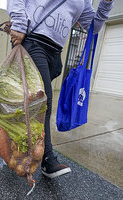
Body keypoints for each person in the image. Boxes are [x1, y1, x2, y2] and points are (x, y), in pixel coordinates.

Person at [7, 0, 114, 178]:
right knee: (43, 103)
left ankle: (13, 141)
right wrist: (18, 23)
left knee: (32, 104)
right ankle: (47, 160)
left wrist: (106, 3)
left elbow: (93, 27)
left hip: (55, 53)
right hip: (33, 41)